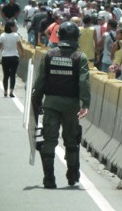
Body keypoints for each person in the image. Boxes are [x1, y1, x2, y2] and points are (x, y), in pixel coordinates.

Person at [32, 21, 90, 188]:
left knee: (49, 140)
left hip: (50, 104)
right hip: (71, 107)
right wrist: (85, 103)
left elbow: (40, 80)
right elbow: (84, 82)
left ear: (59, 36)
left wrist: (36, 100)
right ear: (76, 38)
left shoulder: (49, 55)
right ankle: (72, 175)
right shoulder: (80, 57)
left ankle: (49, 178)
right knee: (71, 141)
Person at [0, 21, 24, 97]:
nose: (15, 27)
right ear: (11, 27)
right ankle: (11, 91)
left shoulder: (2, 36)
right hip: (14, 57)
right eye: (14, 26)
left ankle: (5, 91)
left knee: (6, 75)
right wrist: (22, 53)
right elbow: (20, 46)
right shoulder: (16, 35)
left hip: (5, 58)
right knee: (13, 75)